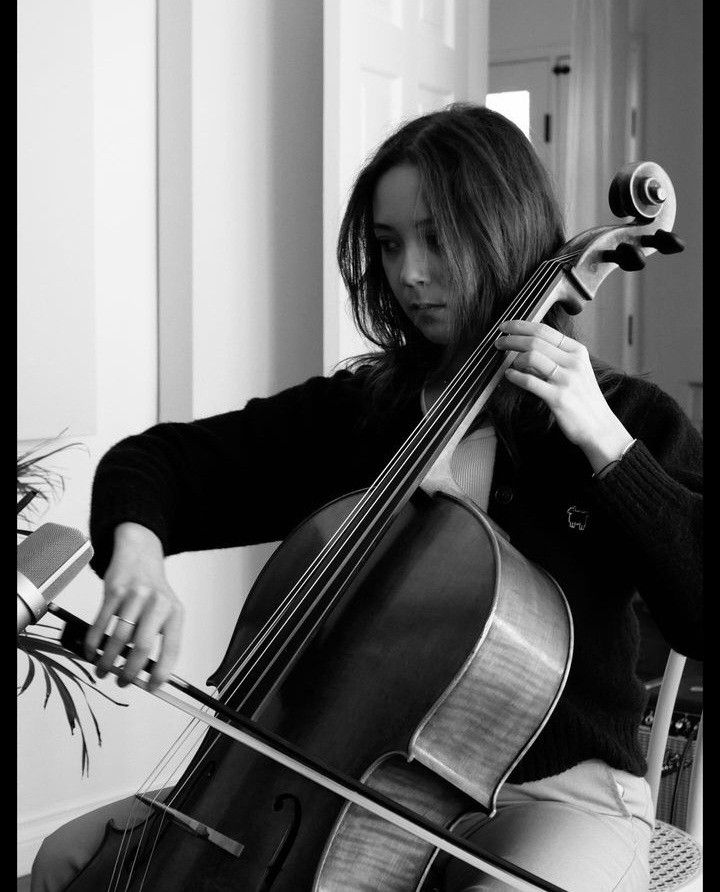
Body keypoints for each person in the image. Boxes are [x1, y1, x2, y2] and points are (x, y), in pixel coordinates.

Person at [32, 103, 702, 891]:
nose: (410, 273)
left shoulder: (628, 417)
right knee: (66, 860)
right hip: (350, 780)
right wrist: (138, 556)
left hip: (560, 795)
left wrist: (605, 445)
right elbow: (162, 463)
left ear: (509, 231)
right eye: (389, 246)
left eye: (436, 238)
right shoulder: (361, 414)